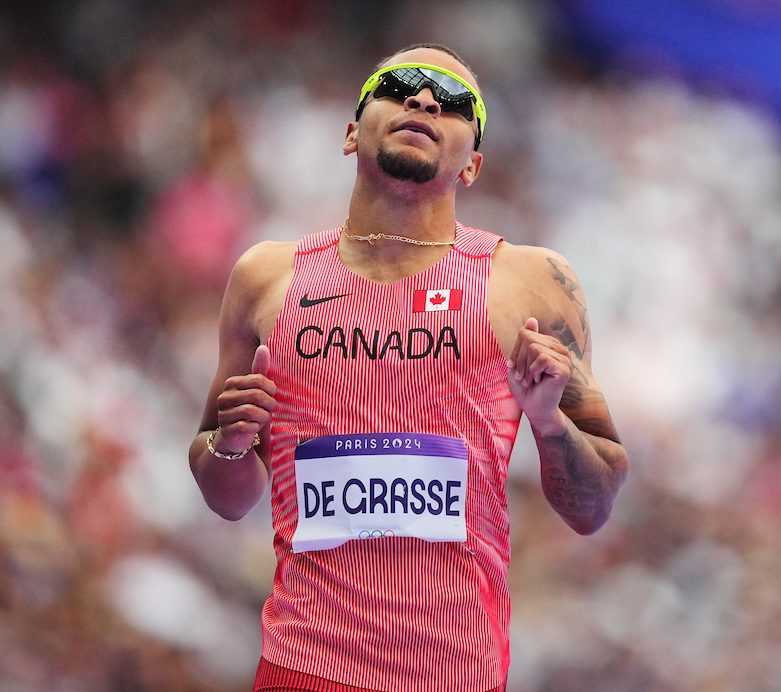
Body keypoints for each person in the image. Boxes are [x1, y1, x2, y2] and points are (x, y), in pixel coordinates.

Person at [187, 43, 630, 692]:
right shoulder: (266, 278)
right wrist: (229, 446)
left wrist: (548, 424)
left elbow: (593, 508)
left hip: (457, 674)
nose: (424, 100)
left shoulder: (533, 283)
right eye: (398, 88)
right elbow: (226, 498)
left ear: (473, 164)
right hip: (304, 667)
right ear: (349, 133)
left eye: (454, 103)